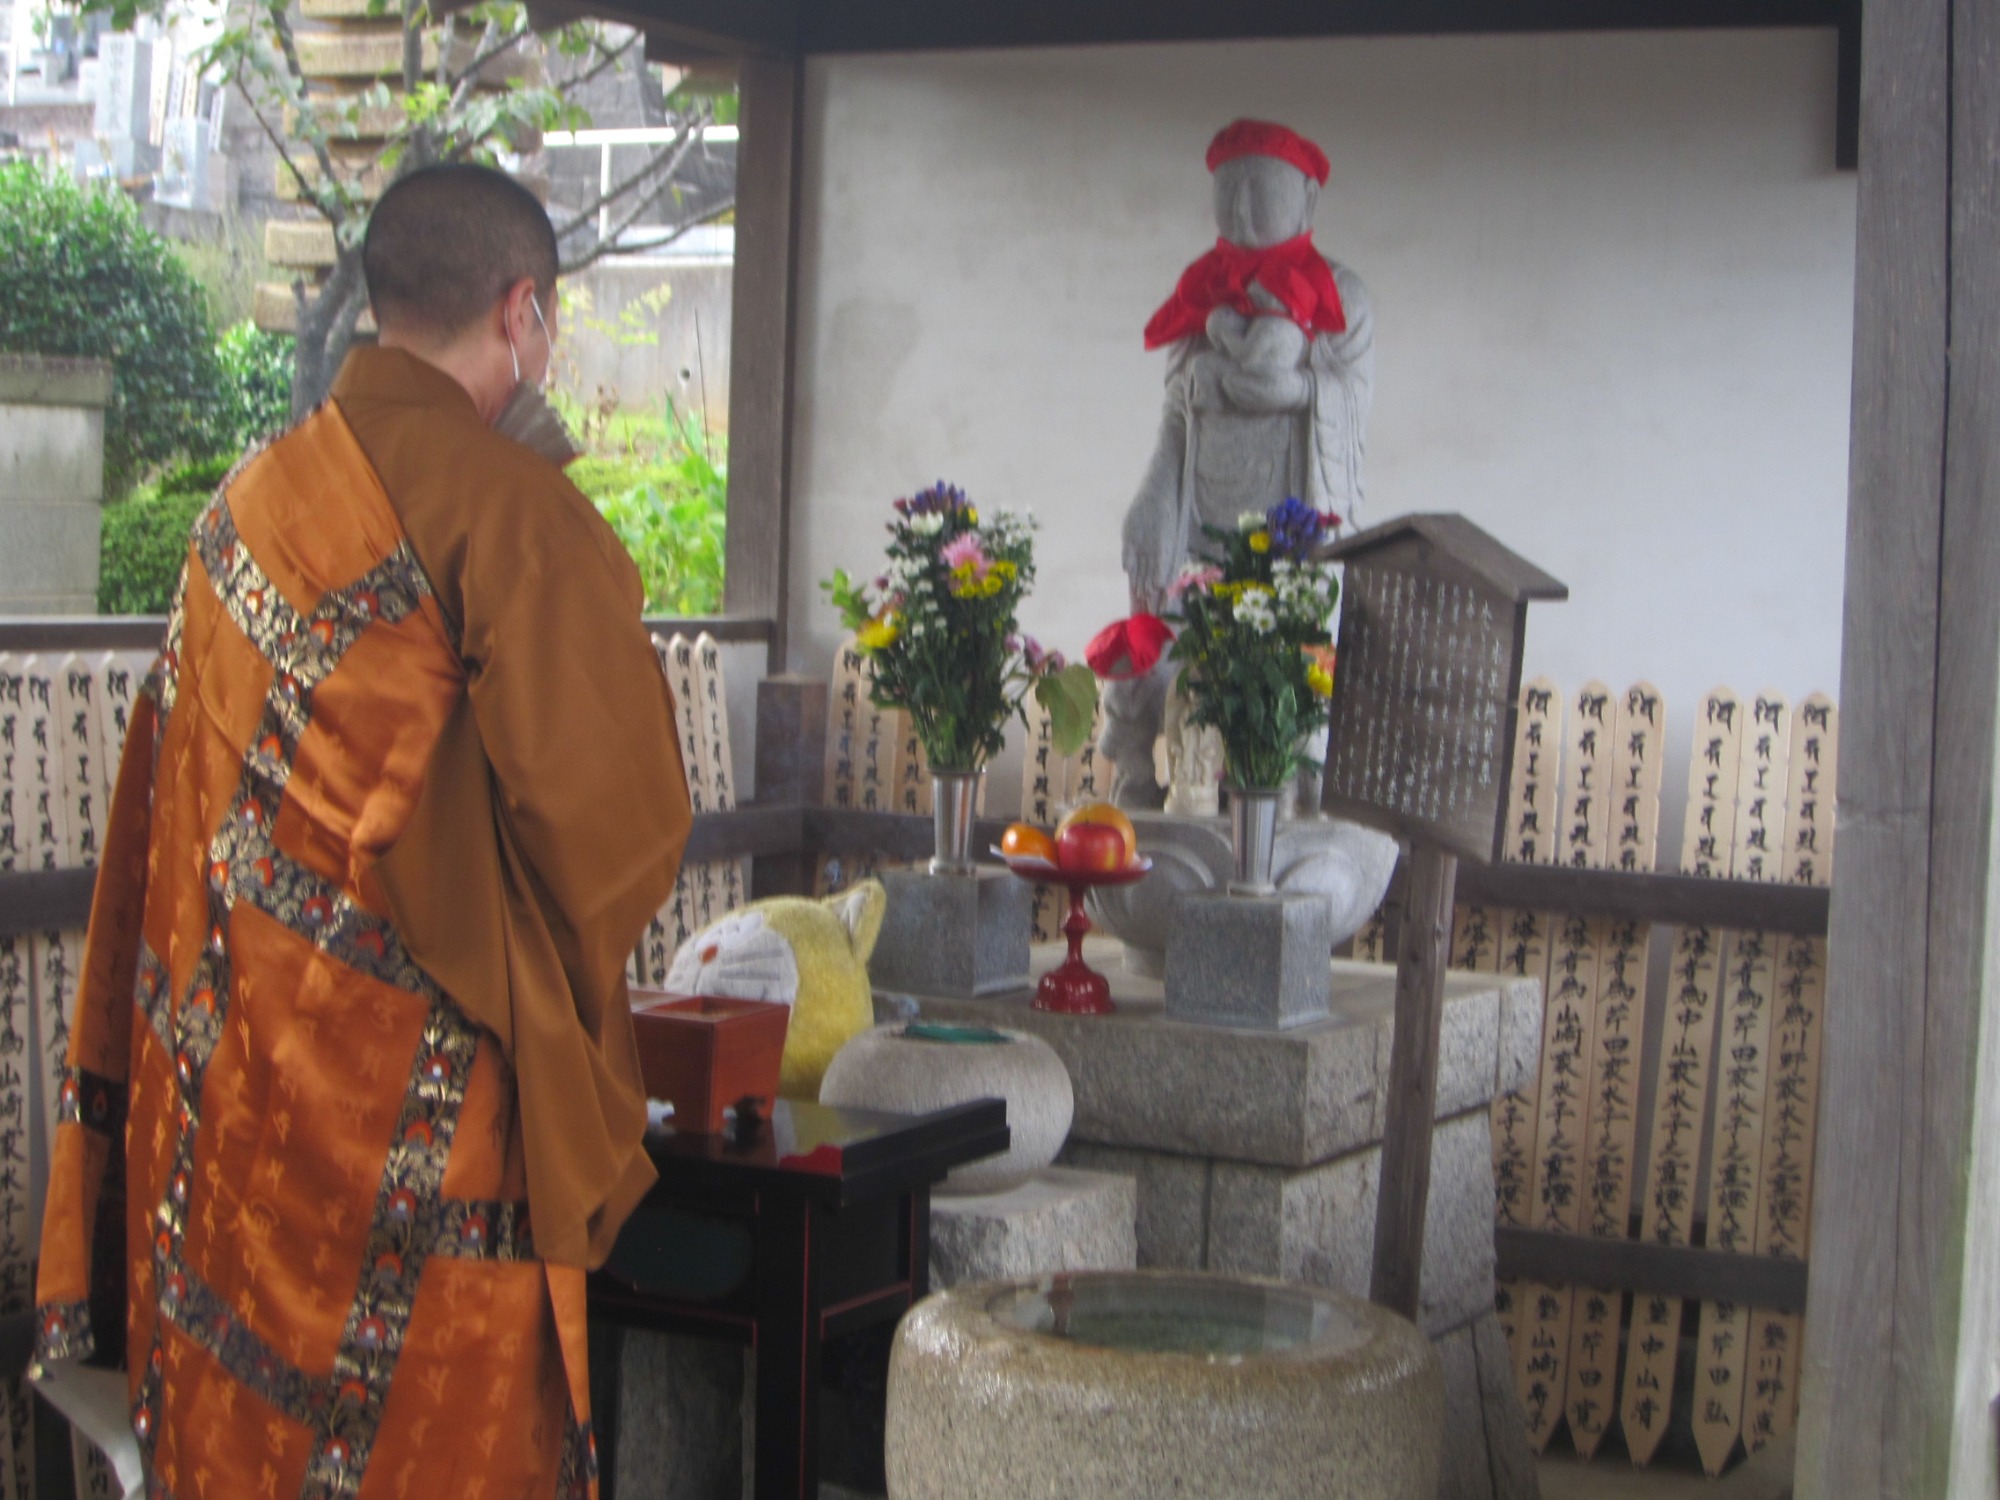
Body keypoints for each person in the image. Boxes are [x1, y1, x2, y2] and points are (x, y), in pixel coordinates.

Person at [32, 163, 693, 1499]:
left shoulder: (244, 510)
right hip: (425, 1160)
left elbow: (168, 816)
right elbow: (608, 846)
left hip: (236, 1145)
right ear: (524, 317)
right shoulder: (522, 524)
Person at [1101, 119, 1373, 806]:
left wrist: (1295, 389)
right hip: (1201, 513)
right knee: (1152, 614)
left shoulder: (1342, 296)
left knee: (1293, 654)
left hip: (1292, 525)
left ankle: (1287, 789)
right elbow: (1174, 419)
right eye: (1232, 190)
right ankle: (1139, 769)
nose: (1246, 205)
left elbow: (1350, 402)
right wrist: (1152, 499)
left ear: (1308, 198)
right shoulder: (1204, 289)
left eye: (1265, 189)